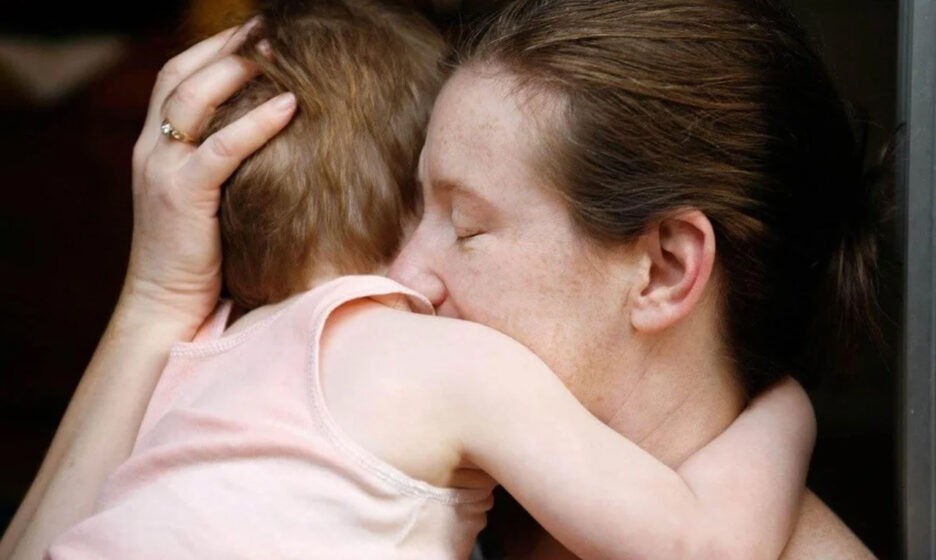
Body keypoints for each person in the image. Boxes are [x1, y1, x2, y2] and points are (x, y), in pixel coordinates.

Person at [0, 1, 881, 559]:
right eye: (410, 208)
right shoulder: (404, 482)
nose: (400, 275)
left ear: (663, 268)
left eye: (466, 225)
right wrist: (157, 300)